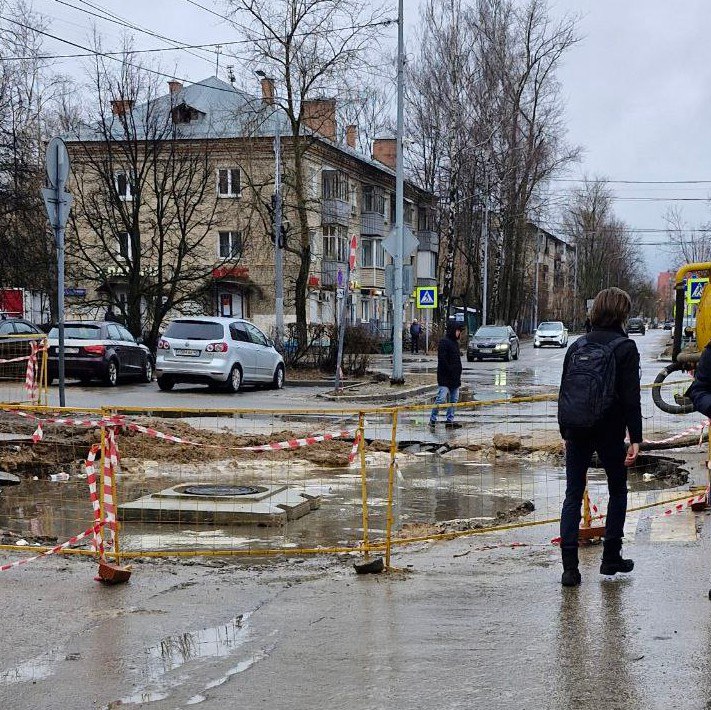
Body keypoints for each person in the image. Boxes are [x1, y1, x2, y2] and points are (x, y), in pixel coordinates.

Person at [558, 287, 642, 587]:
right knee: (618, 490)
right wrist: (636, 437)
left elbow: (565, 392)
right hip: (609, 429)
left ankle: (570, 569)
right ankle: (610, 557)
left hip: (577, 428)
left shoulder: (578, 345)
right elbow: (631, 398)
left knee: (572, 494)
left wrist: (565, 431)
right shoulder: (625, 347)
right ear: (622, 313)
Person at [429, 321, 463, 430]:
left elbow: (457, 360)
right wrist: (450, 369)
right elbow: (442, 359)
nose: (459, 333)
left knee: (453, 400)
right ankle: (432, 419)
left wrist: (458, 371)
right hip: (445, 376)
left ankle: (450, 421)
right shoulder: (444, 342)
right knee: (441, 398)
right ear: (453, 330)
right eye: (458, 331)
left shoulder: (455, 344)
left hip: (455, 377)